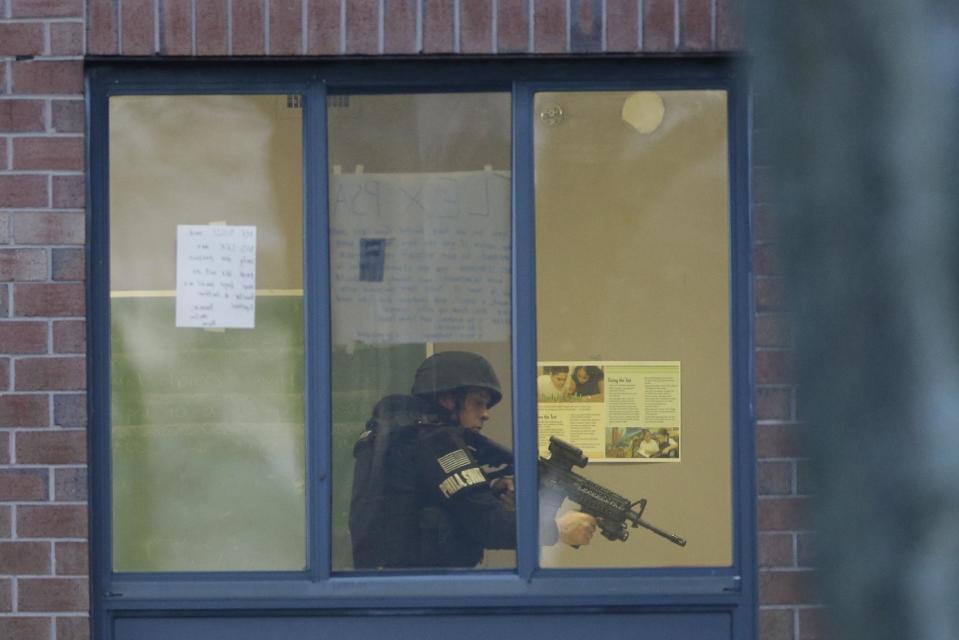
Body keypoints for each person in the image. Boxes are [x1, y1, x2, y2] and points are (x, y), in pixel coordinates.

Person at [349, 351, 596, 569]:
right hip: (426, 589)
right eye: (478, 403)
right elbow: (489, 526)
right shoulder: (436, 440)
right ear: (448, 400)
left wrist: (490, 488)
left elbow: (415, 501)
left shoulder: (399, 434)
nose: (485, 414)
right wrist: (557, 530)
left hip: (393, 584)